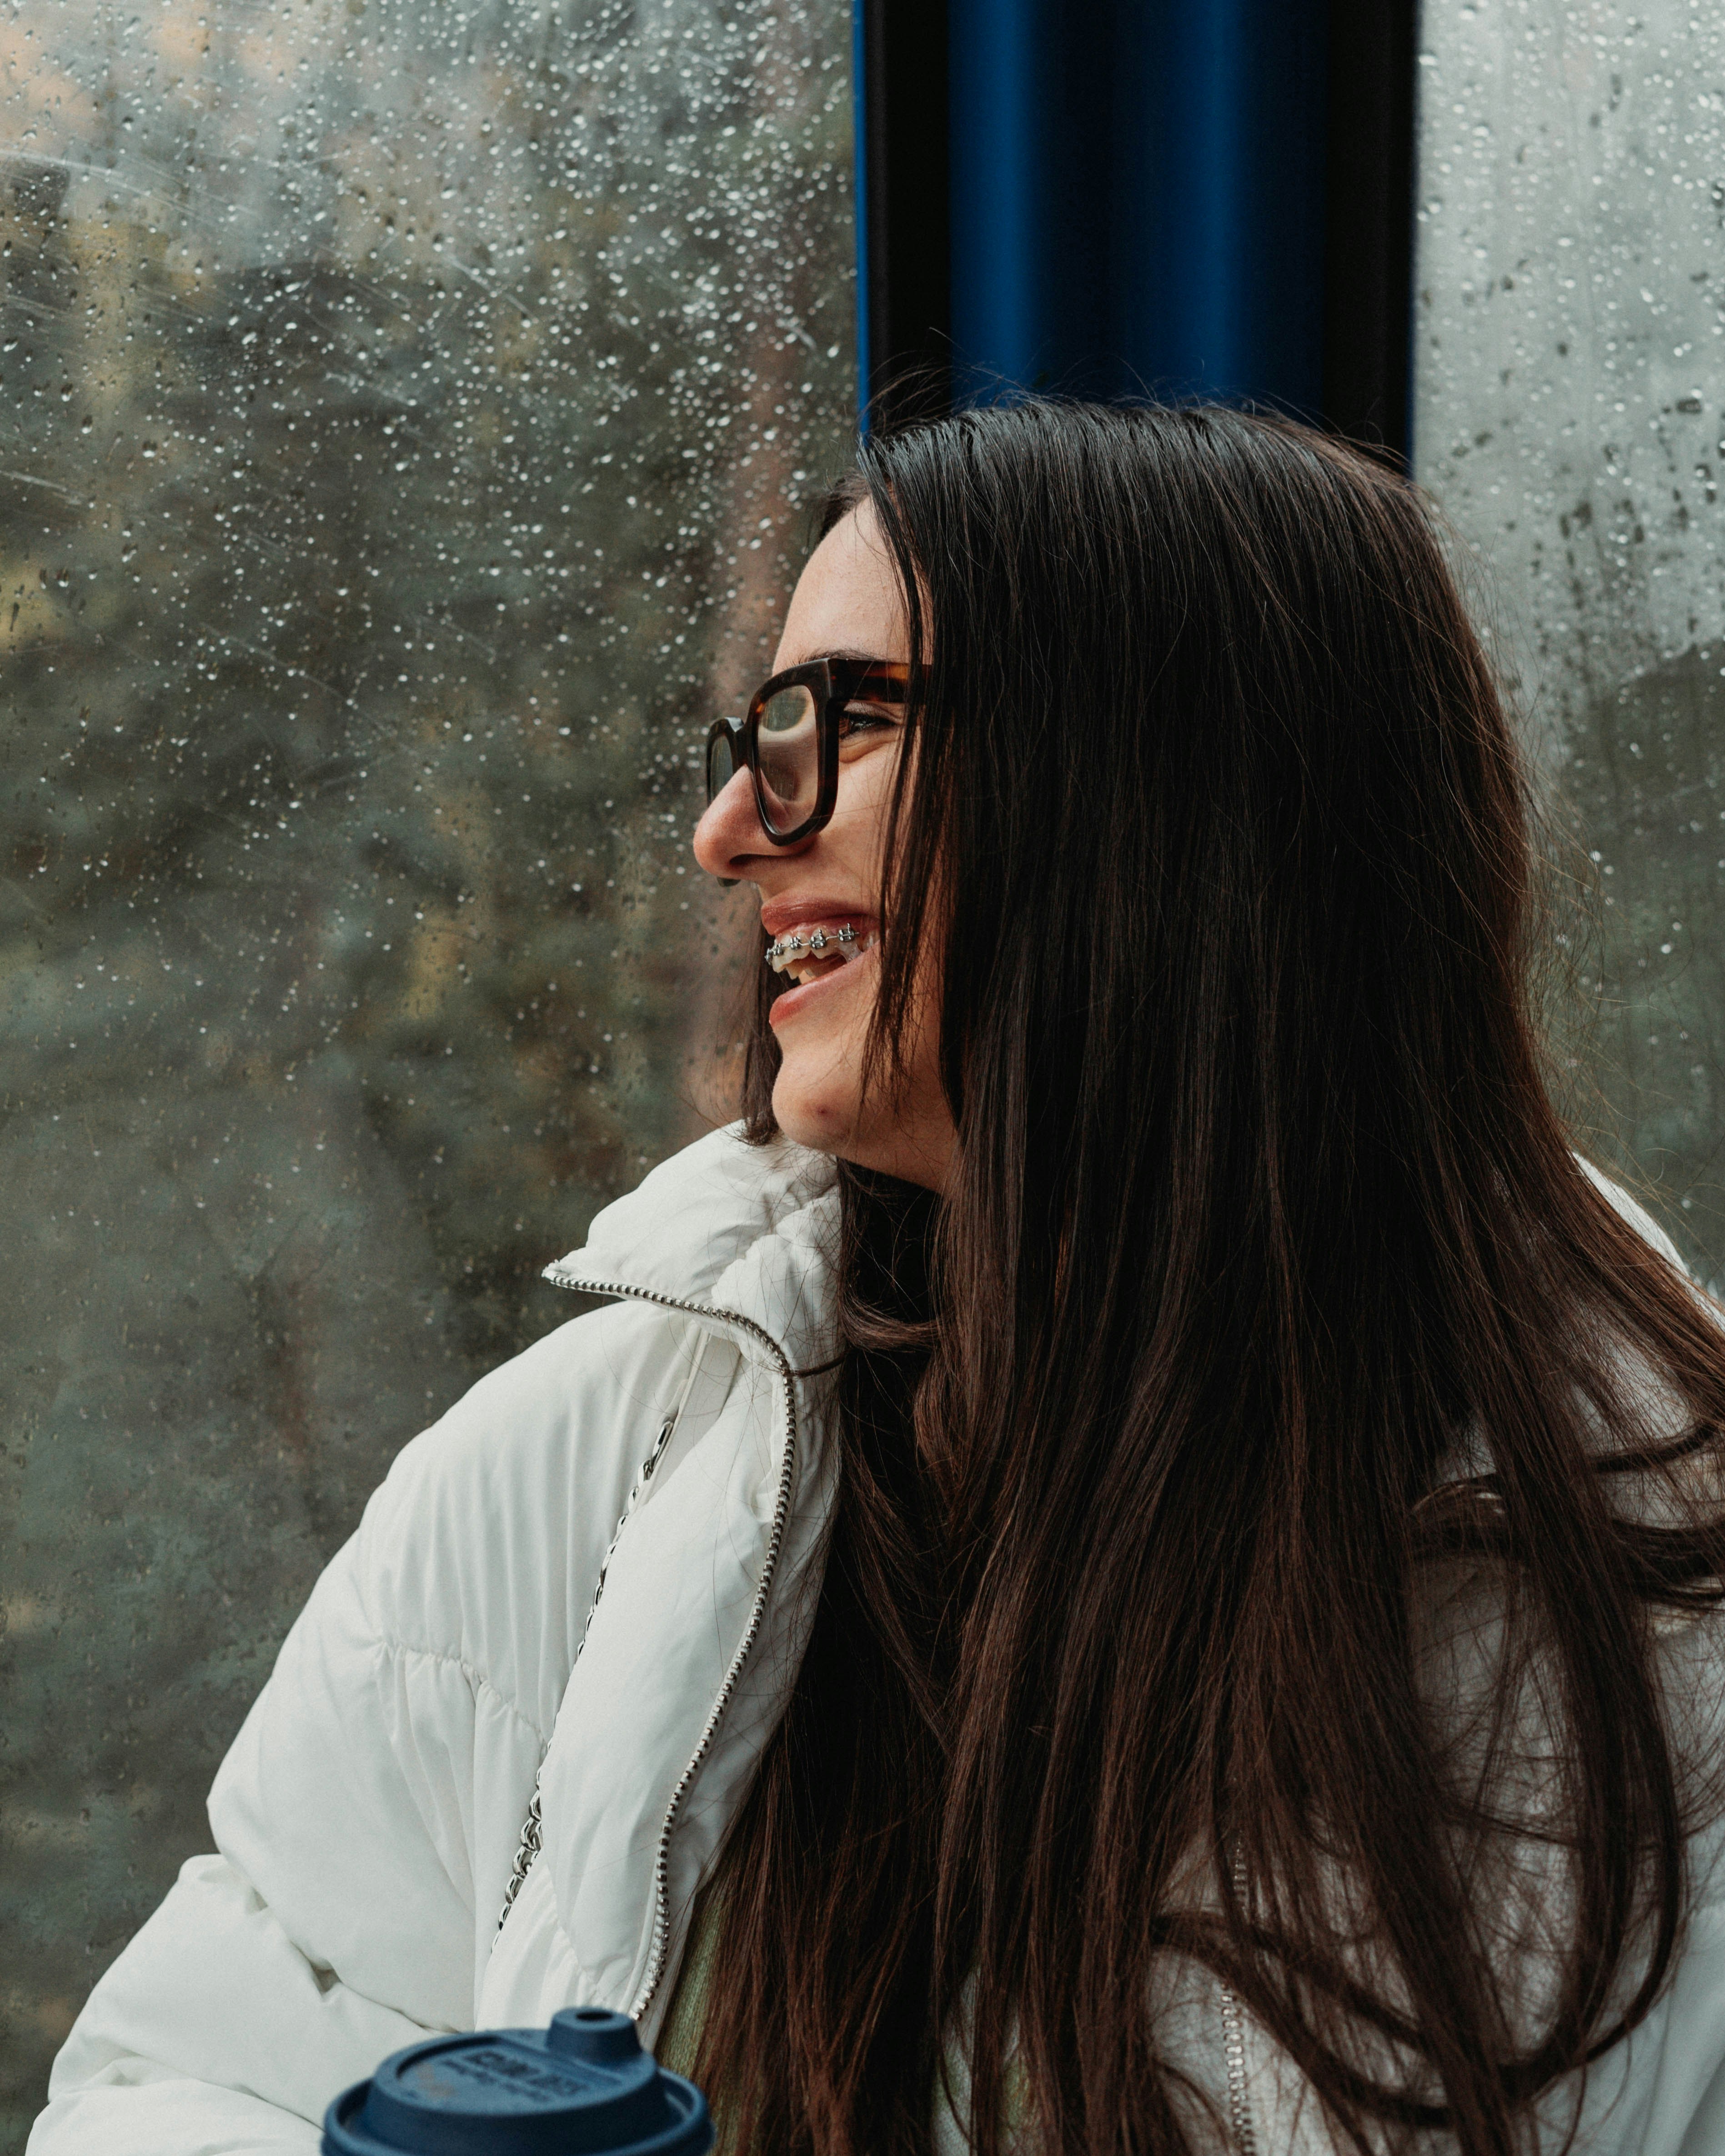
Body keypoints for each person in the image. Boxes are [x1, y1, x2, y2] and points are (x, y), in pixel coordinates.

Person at [28, 400, 1725, 2156]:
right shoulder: (593, 1464)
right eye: (749, 737)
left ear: (1149, 784)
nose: (727, 835)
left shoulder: (1667, 1615)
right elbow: (193, 2086)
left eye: (821, 727)